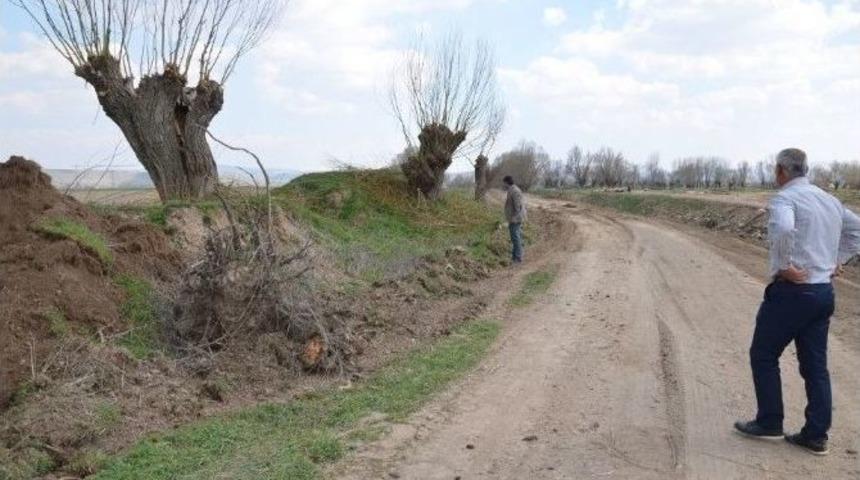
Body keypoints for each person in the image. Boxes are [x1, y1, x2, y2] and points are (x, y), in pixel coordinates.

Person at [734, 148, 860, 456]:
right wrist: (838, 260)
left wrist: (782, 265)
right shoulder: (830, 200)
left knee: (763, 355)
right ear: (805, 169)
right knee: (816, 366)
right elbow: (857, 229)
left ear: (780, 171)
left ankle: (770, 422)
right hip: (823, 293)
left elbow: (785, 227)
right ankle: (816, 435)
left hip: (792, 293)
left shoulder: (785, 199)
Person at [503, 175, 527, 264]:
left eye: (504, 183)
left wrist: (514, 218)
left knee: (516, 238)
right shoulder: (511, 190)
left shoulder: (515, 191)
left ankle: (518, 258)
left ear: (506, 182)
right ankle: (514, 257)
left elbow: (518, 207)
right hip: (513, 218)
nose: (504, 185)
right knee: (514, 238)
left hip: (516, 218)